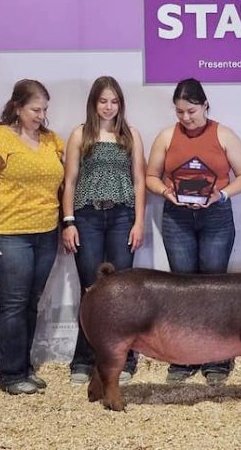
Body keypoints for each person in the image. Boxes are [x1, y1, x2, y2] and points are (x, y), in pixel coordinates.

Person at [146, 78, 241, 386]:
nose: (186, 118)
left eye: (191, 111)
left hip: (216, 216)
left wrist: (222, 195)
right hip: (177, 217)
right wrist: (166, 192)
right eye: (179, 112)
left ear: (205, 105)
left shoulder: (224, 135)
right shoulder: (166, 136)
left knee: (213, 286)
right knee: (182, 288)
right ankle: (183, 358)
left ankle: (218, 357)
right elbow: (151, 176)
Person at [0, 79, 64, 395]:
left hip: (46, 232)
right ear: (17, 107)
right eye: (35, 109)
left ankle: (24, 367)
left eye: (44, 109)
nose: (41, 115)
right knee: (13, 302)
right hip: (9, 234)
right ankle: (10, 374)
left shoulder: (51, 141)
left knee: (31, 302)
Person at [61, 76, 146, 386]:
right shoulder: (80, 134)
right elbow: (70, 181)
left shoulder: (130, 135)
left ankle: (126, 358)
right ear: (93, 103)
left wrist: (139, 222)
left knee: (123, 291)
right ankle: (84, 359)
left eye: (114, 101)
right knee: (91, 289)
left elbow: (139, 181)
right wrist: (68, 221)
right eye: (103, 101)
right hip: (87, 217)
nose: (109, 107)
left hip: (122, 215)